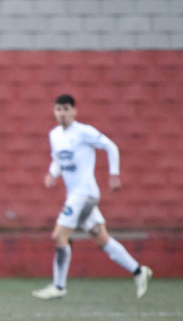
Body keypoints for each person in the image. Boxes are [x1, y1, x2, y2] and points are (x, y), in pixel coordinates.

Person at [32, 94, 152, 300]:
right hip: (78, 196)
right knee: (101, 238)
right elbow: (58, 159)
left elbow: (111, 146)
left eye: (66, 109)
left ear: (74, 111)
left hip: (84, 193)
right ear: (54, 111)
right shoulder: (55, 135)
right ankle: (139, 271)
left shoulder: (83, 132)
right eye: (58, 109)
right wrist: (52, 174)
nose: (62, 113)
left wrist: (114, 174)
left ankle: (59, 286)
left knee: (59, 236)